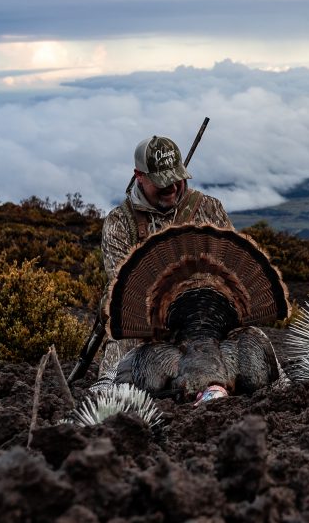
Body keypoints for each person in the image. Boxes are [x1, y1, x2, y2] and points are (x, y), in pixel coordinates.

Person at [96, 135, 233, 382]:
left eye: (176, 178)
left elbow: (231, 270)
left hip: (205, 321)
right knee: (115, 379)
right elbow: (126, 290)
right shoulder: (119, 223)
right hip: (147, 327)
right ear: (139, 175)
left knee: (254, 346)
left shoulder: (209, 208)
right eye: (162, 181)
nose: (171, 187)